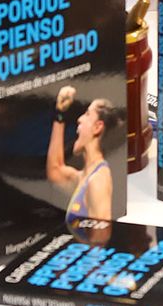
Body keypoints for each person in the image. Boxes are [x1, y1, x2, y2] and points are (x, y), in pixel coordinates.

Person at [47, 85, 122, 226]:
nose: (79, 119)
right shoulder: (84, 177)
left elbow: (101, 239)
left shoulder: (98, 180)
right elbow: (55, 170)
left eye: (87, 114)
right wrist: (60, 115)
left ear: (97, 127)